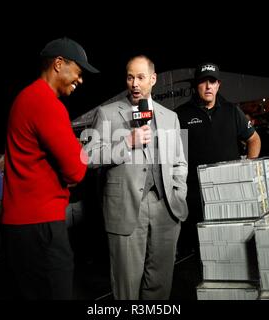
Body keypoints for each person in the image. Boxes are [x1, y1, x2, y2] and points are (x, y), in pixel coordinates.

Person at [85, 55, 188, 300]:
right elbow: (87, 157)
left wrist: (177, 192)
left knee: (160, 282)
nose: (134, 83)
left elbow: (179, 162)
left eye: (140, 77)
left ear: (153, 79)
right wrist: (126, 142)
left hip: (166, 208)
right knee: (126, 285)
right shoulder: (107, 113)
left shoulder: (169, 116)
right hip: (126, 209)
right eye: (130, 77)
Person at [2, 37, 97, 300]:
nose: (80, 80)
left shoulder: (26, 97)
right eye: (78, 72)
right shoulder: (46, 102)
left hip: (22, 224)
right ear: (58, 64)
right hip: (39, 226)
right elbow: (76, 171)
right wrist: (80, 151)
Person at [175, 62, 261, 258]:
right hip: (196, 195)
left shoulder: (232, 111)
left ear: (218, 85)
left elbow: (254, 139)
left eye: (212, 82)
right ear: (195, 86)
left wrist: (247, 168)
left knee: (233, 246)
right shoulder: (181, 114)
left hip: (229, 192)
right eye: (203, 82)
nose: (208, 87)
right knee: (203, 251)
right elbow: (174, 154)